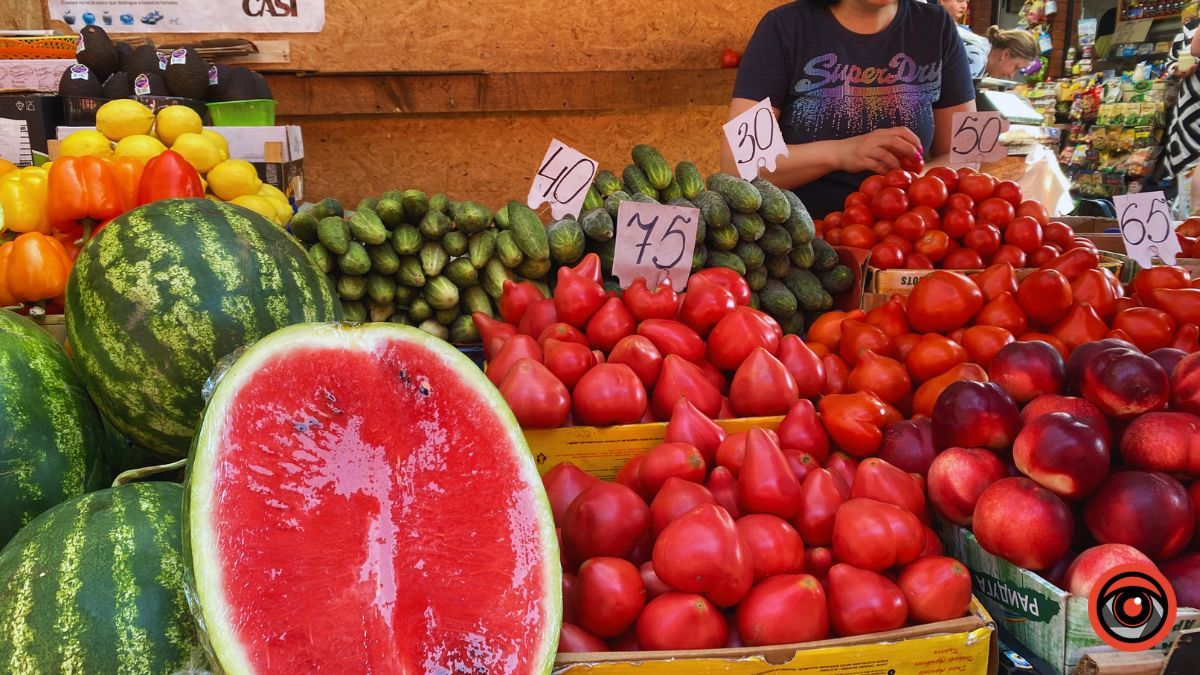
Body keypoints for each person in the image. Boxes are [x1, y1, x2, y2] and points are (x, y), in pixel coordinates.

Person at [722, 0, 976, 218]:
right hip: (803, 241)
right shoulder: (784, 27)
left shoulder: (937, 26)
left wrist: (906, 187)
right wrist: (842, 153)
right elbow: (738, 162)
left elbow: (969, 153)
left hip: (906, 236)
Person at [1164, 6, 1200, 179]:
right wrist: (1177, 70)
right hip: (1191, 109)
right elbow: (1170, 61)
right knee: (1188, 174)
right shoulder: (1189, 29)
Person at [938, 0, 991, 78]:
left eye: (967, 2)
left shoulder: (966, 31)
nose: (964, 6)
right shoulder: (933, 28)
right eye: (960, 1)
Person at [975, 27, 1041, 79]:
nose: (1011, 76)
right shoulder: (976, 61)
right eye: (1016, 67)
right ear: (1005, 54)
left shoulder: (981, 52)